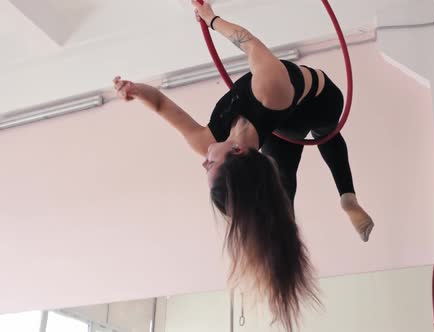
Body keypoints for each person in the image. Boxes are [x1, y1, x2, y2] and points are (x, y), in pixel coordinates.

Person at [112, 1, 374, 330]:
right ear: (235, 155)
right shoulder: (269, 88)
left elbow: (163, 104)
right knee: (326, 134)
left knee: (283, 176)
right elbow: (247, 41)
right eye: (210, 167)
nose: (203, 162)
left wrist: (136, 91)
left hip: (282, 124)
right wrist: (211, 19)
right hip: (321, 100)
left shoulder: (208, 140)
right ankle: (346, 195)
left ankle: (338, 203)